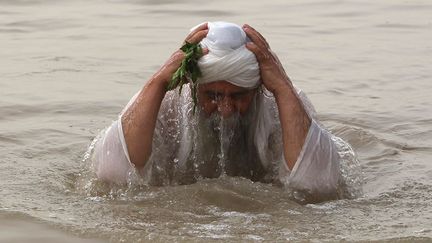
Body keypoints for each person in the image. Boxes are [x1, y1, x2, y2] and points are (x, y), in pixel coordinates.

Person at [91, 22, 361, 202]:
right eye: (213, 95)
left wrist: (282, 86)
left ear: (256, 89)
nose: (226, 109)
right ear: (194, 87)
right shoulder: (164, 100)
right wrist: (159, 81)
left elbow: (318, 186)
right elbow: (112, 174)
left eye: (238, 96)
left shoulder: (281, 102)